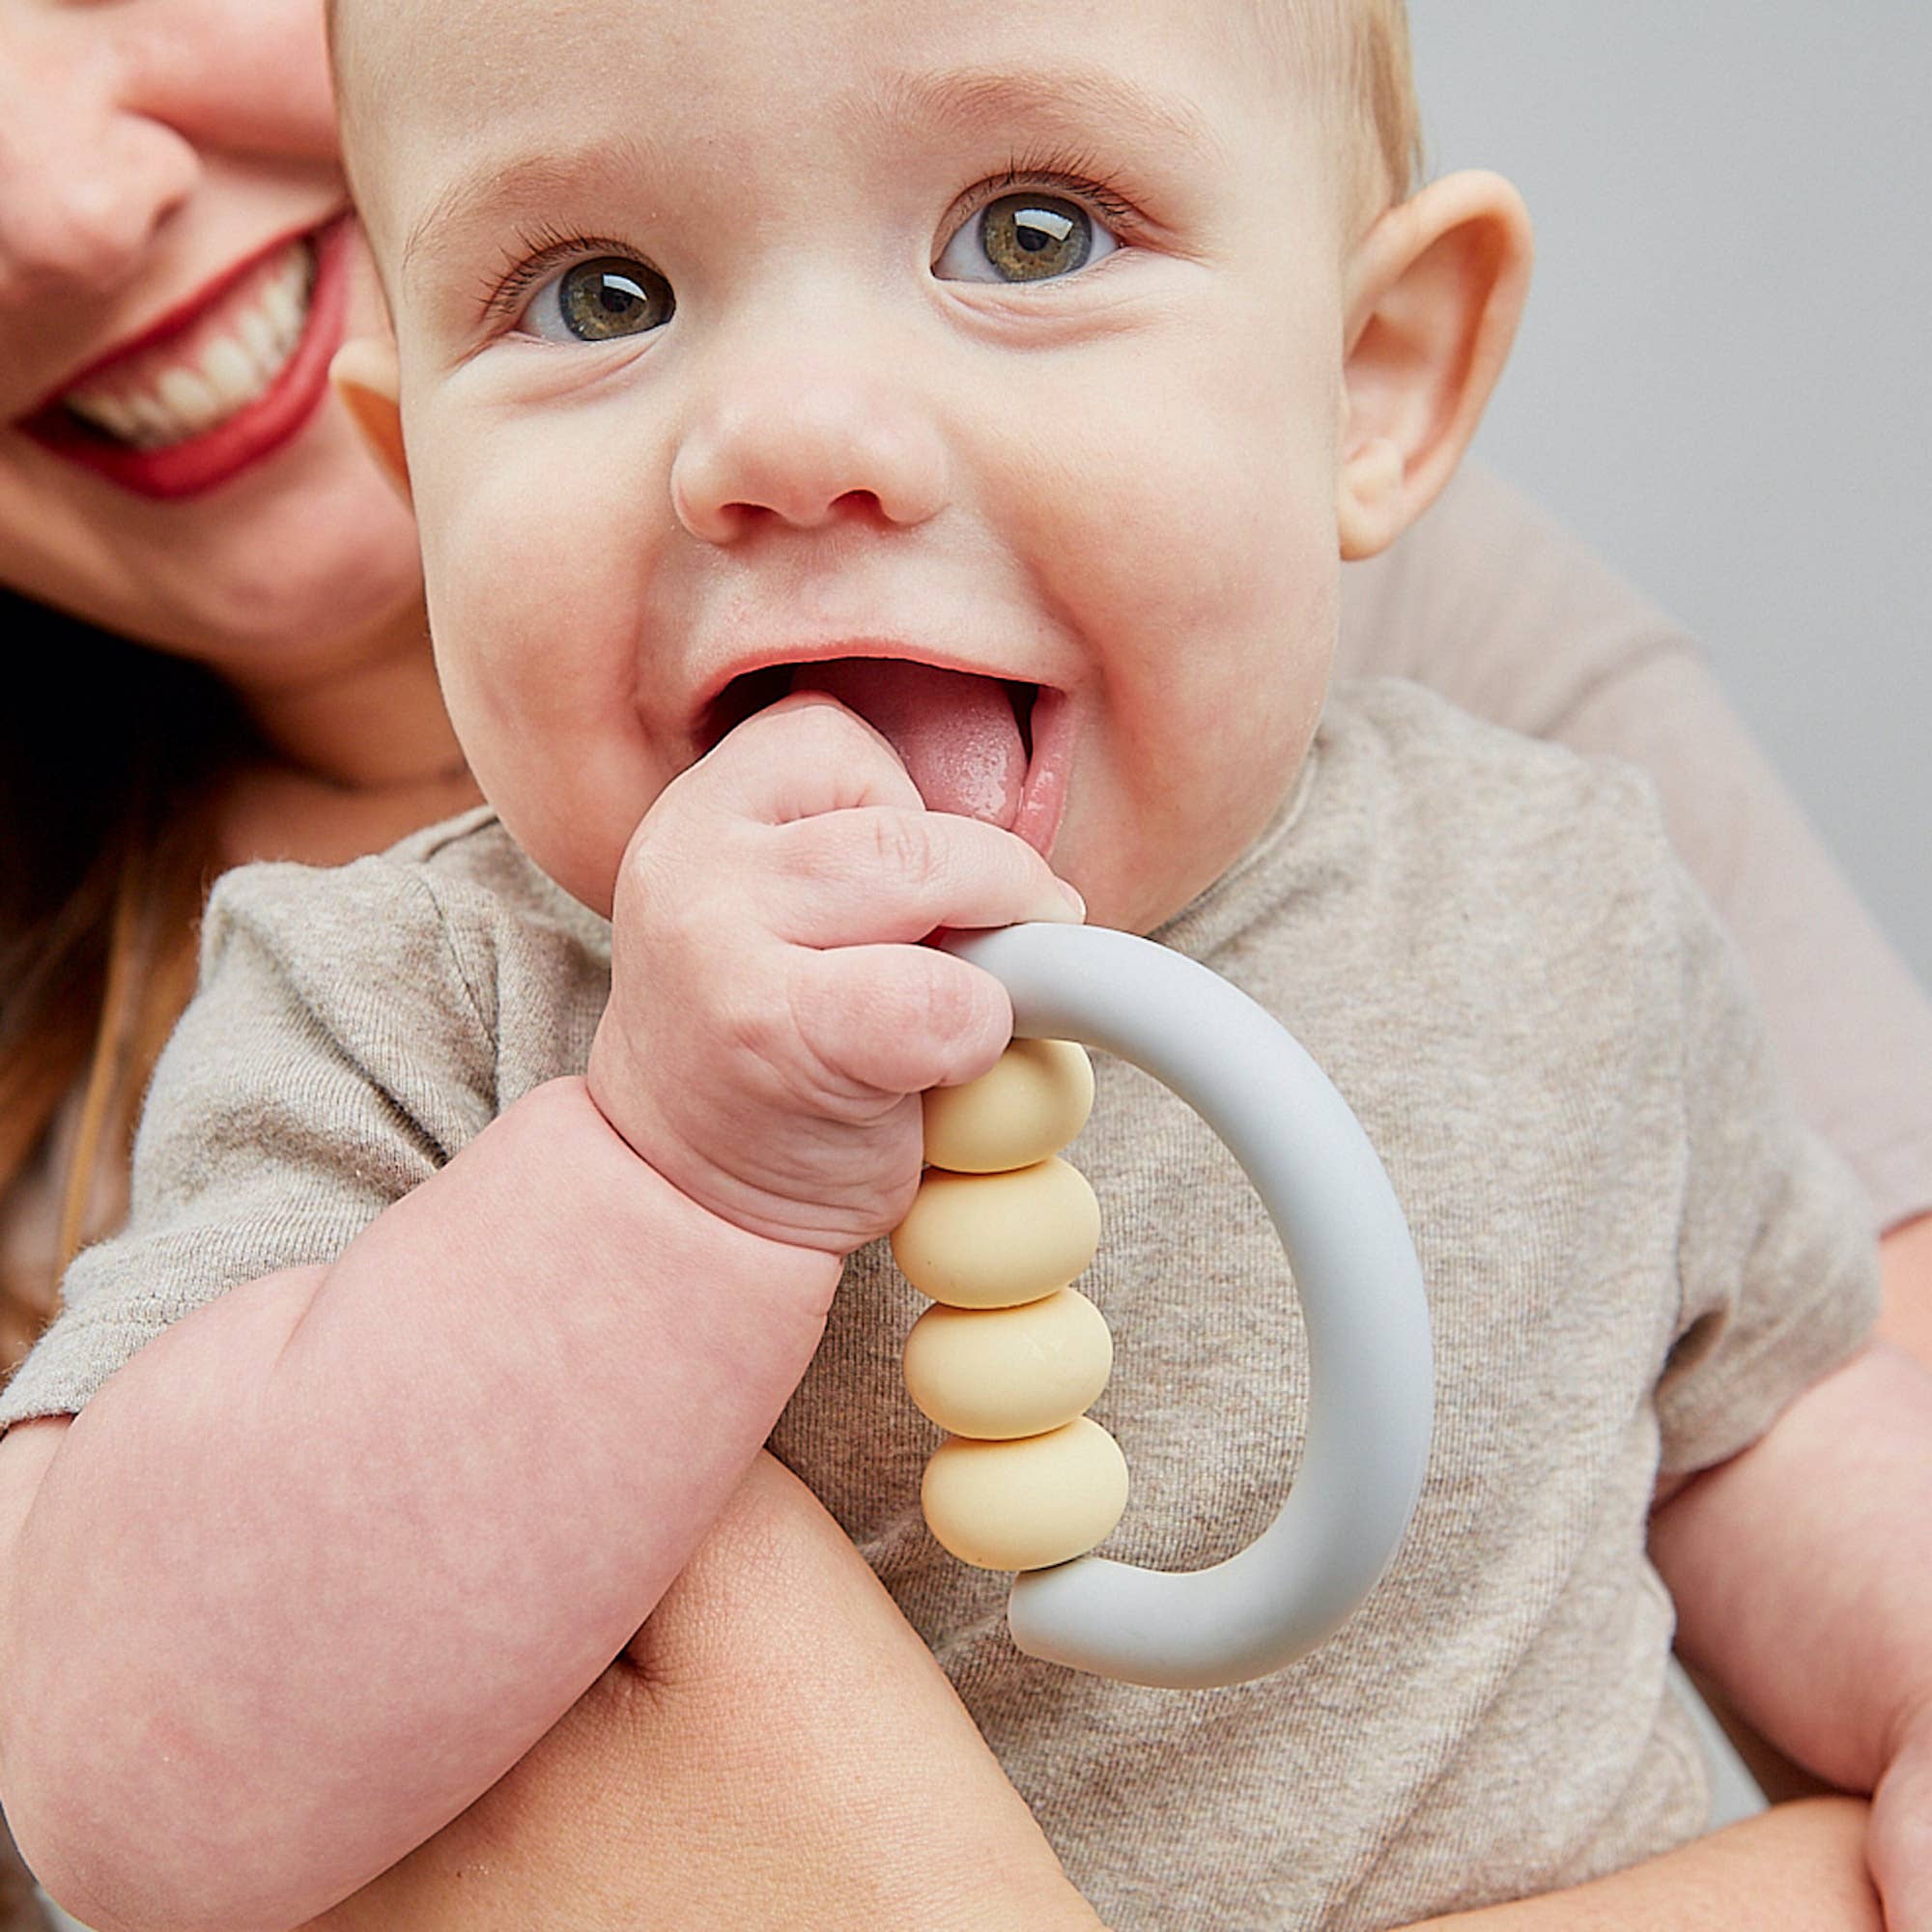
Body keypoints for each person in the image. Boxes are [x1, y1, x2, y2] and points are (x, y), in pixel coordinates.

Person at [4, 3, 1931, 1931]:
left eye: (1030, 233)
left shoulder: (1556, 886)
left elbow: (1764, 1417)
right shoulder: (396, 1015)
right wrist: (669, 1173)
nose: (788, 437)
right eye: (599, 294)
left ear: (1369, 381)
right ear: (423, 475)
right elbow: (130, 1792)